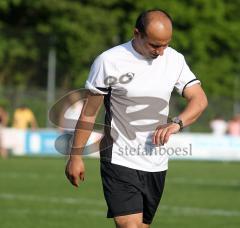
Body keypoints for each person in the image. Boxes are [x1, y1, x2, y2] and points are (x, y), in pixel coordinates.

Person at [65, 9, 208, 228]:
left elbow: (199, 99)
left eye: (166, 44)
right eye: (154, 45)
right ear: (137, 33)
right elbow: (89, 112)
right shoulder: (109, 61)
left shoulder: (175, 60)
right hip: (119, 157)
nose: (161, 52)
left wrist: (177, 123)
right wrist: (76, 155)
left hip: (156, 162)